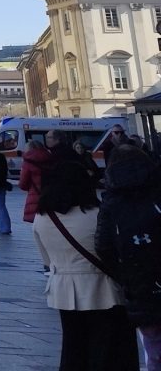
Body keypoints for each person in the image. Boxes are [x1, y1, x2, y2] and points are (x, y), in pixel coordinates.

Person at [35, 150, 138, 370]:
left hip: (63, 289)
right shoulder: (97, 214)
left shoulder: (43, 217)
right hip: (103, 288)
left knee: (73, 347)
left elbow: (45, 257)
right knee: (106, 349)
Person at [96, 145, 161, 366]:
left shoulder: (112, 201)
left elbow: (103, 245)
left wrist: (124, 274)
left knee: (153, 343)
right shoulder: (157, 190)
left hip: (139, 282)